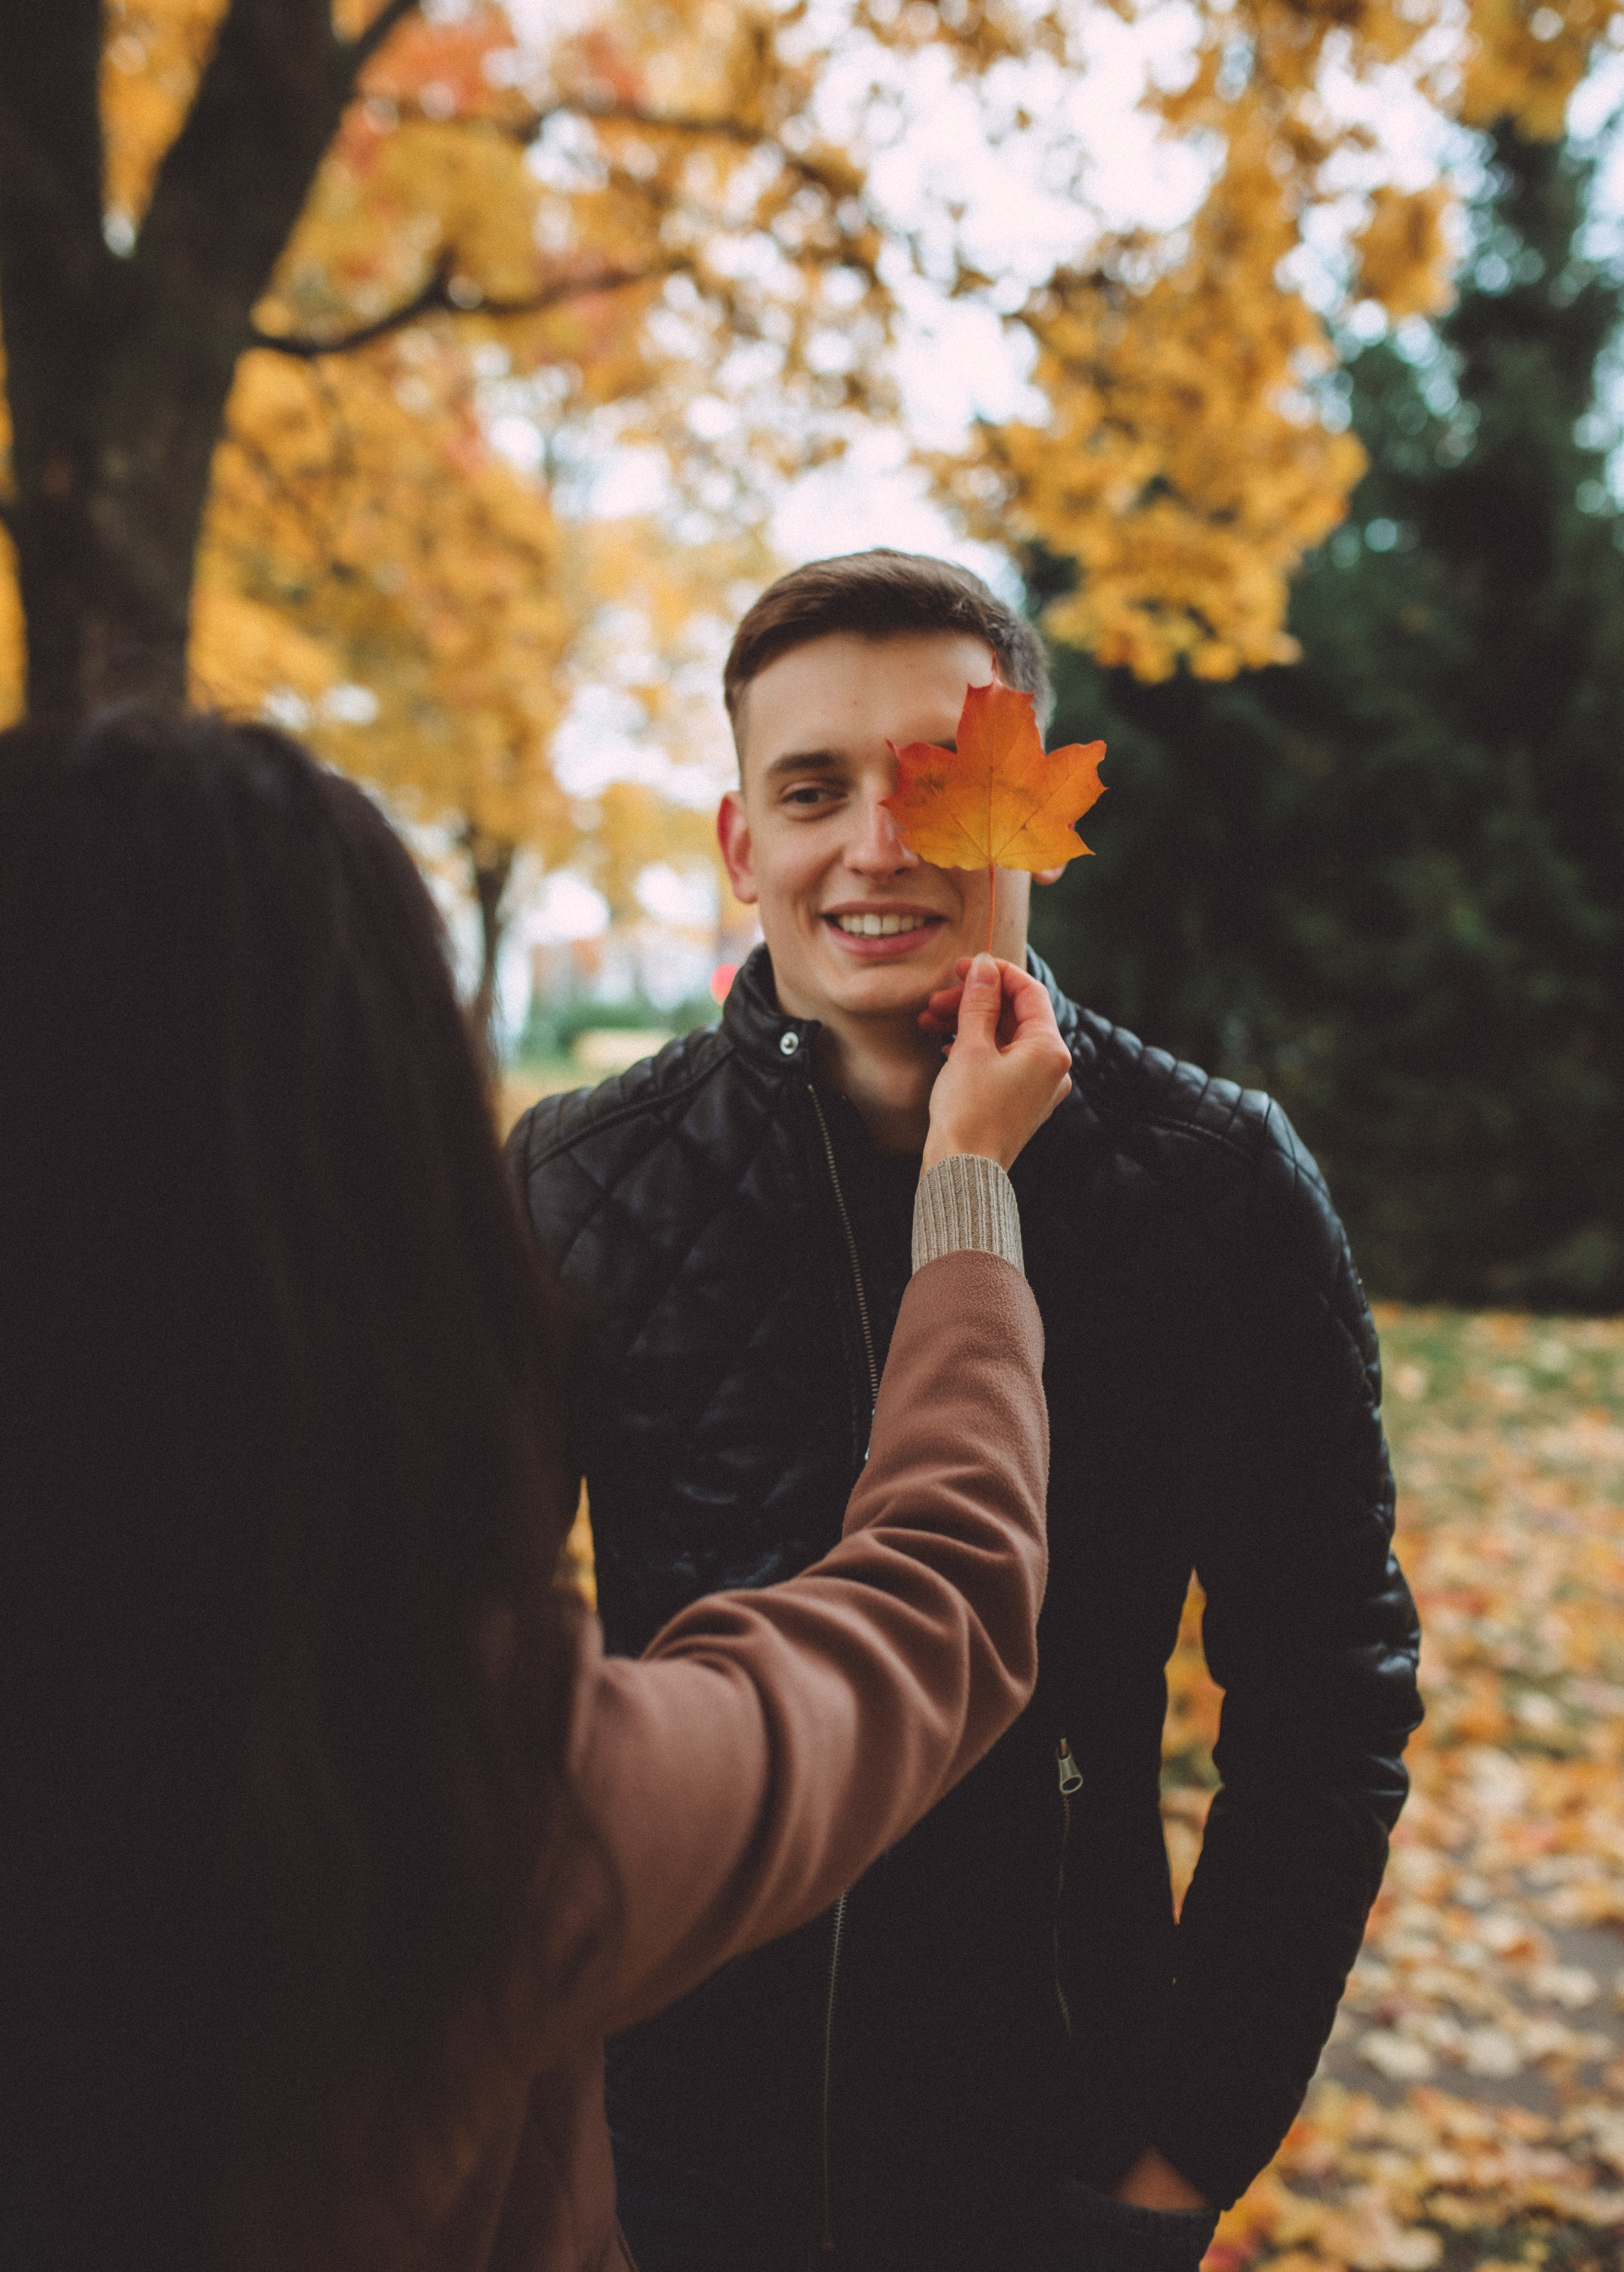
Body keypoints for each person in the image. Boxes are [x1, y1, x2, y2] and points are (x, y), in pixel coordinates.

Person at [0, 709, 1072, 2272]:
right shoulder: (473, 1813)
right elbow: (938, 1598)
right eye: (811, 793)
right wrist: (969, 1188)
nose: (880, 843)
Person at [509, 549, 1426, 2272]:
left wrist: (1180, 2158)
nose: (879, 844)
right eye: (813, 790)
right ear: (738, 847)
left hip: (1053, 2154)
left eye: (939, 782)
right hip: (661, 2168)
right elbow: (441, 1677)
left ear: (1027, 815)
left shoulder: (1218, 1185)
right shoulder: (576, 1184)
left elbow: (1327, 1694)